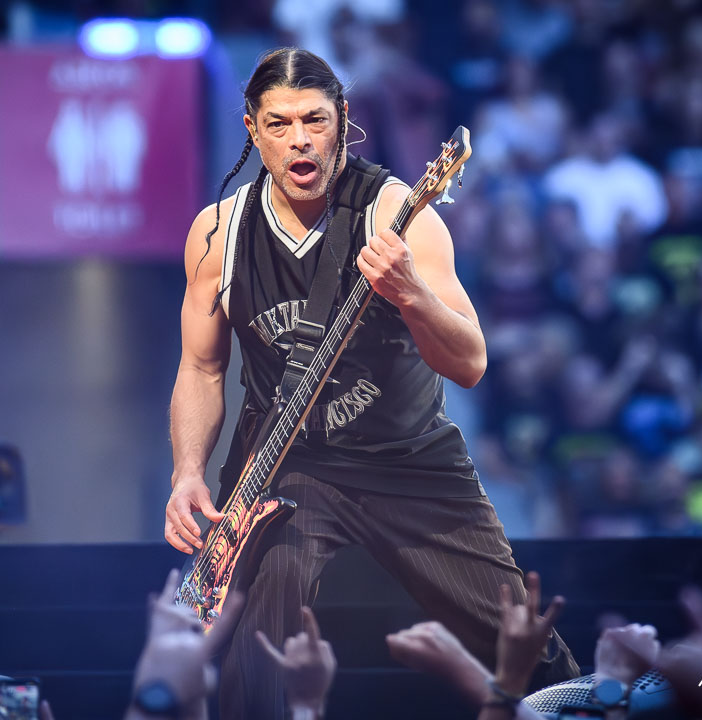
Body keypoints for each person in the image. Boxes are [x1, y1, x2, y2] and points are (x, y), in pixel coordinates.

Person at [164, 46, 580, 719]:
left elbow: (470, 362)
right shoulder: (219, 233)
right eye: (278, 124)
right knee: (253, 647)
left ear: (343, 119)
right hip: (287, 463)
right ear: (252, 130)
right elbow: (202, 366)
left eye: (315, 120)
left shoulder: (397, 212)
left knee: (519, 636)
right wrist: (188, 471)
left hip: (406, 456)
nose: (299, 139)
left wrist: (411, 292)